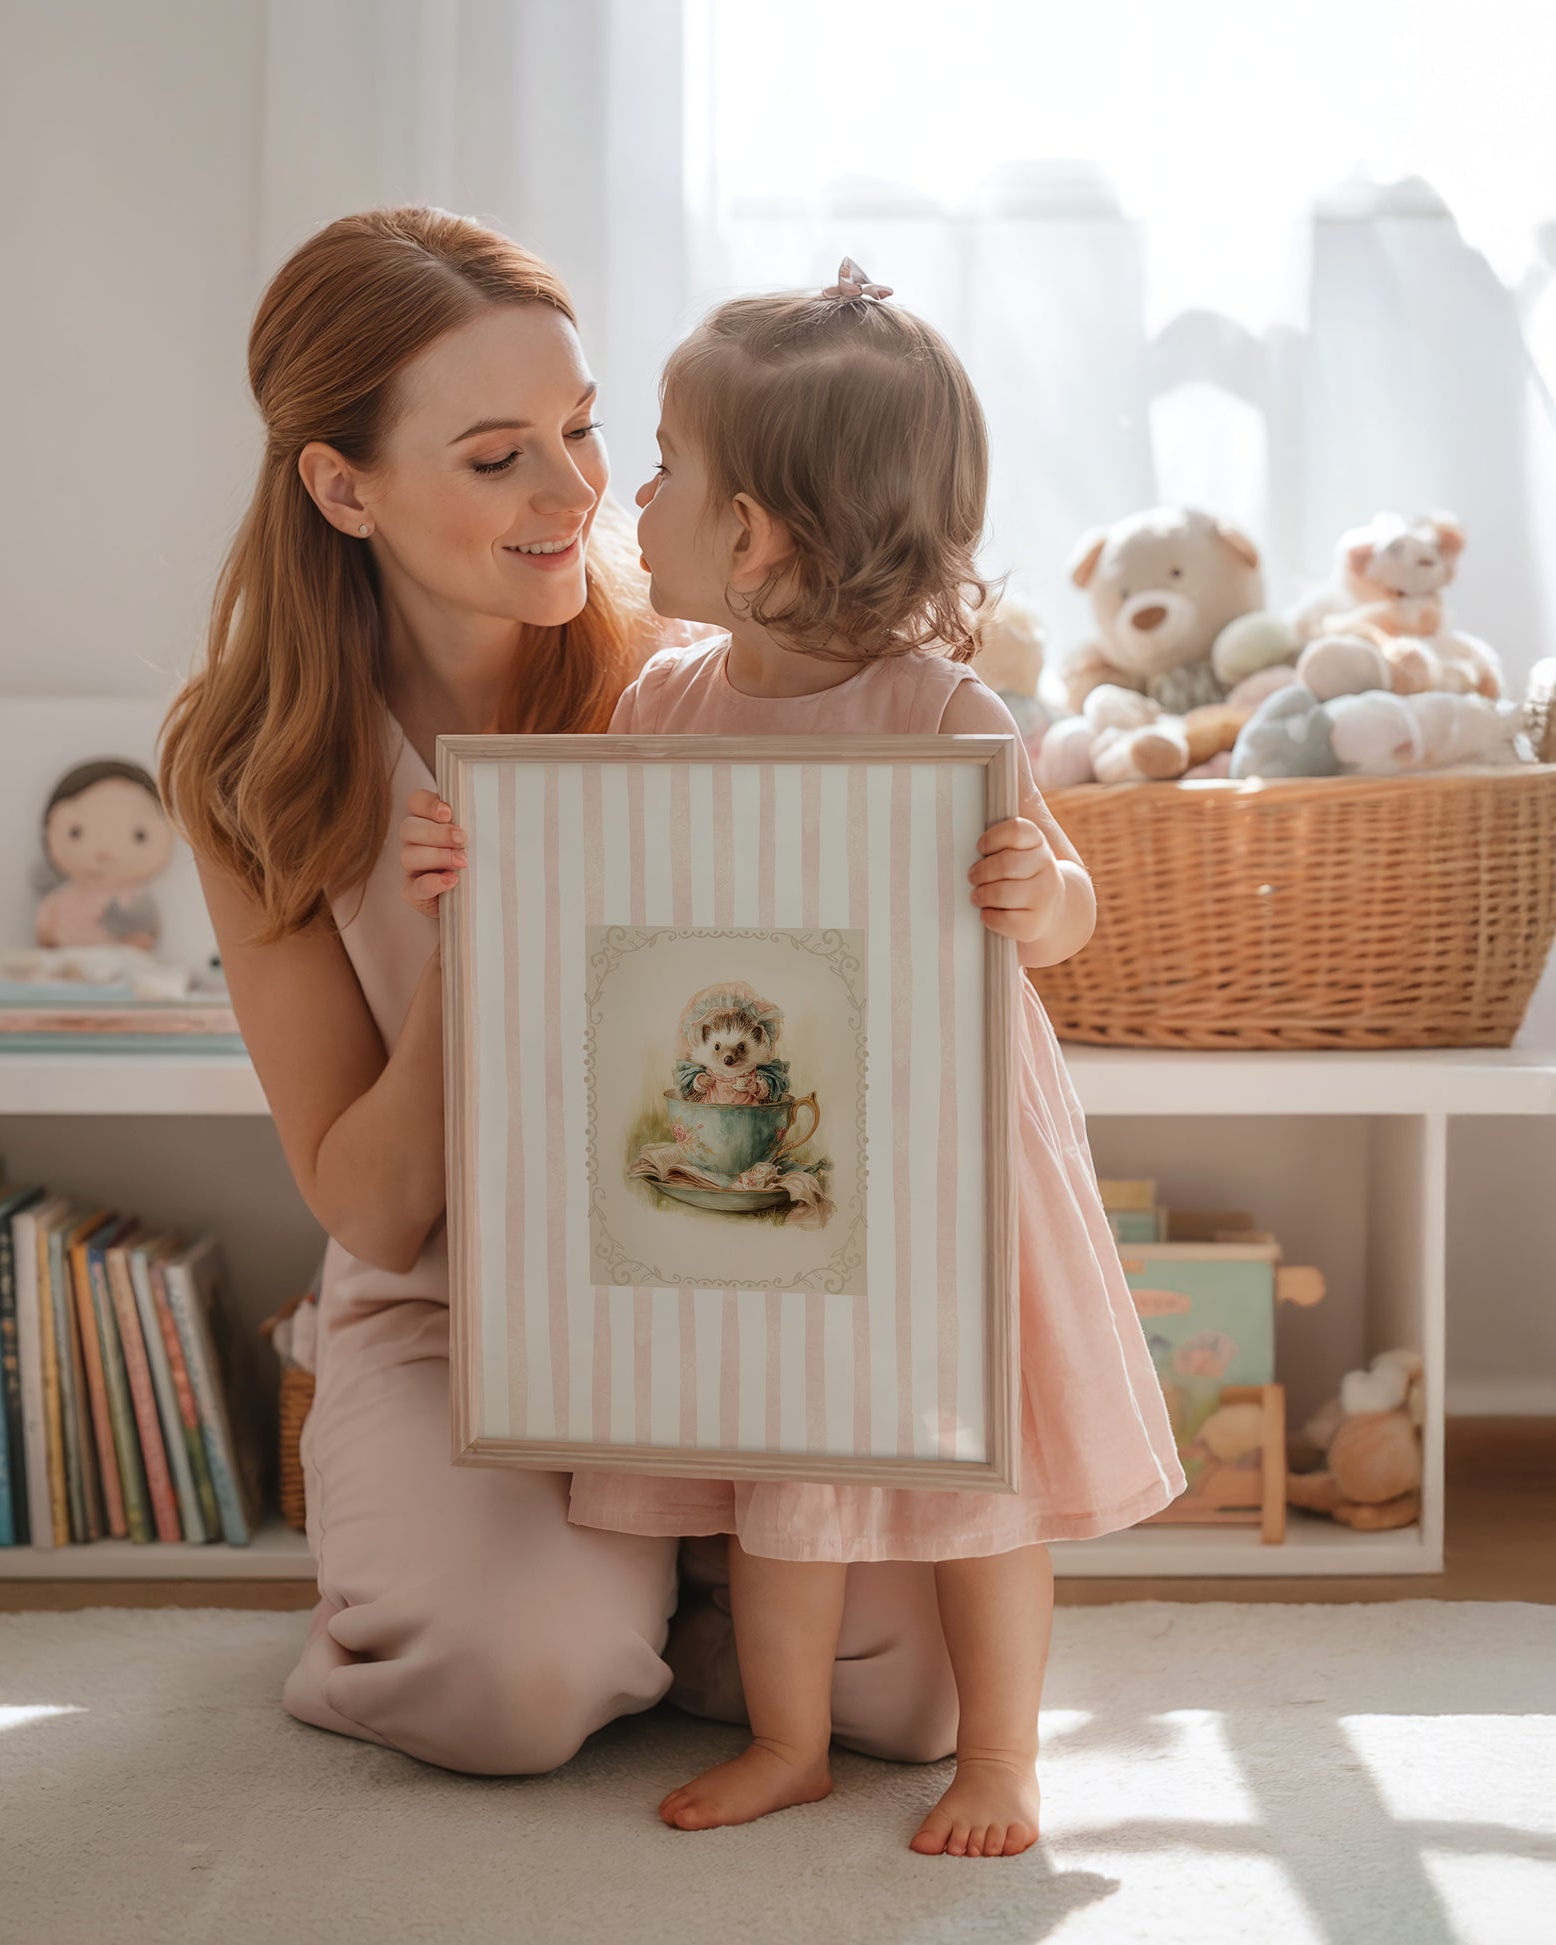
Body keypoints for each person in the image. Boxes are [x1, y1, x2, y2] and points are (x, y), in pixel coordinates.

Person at [158, 210, 968, 1780]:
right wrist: (490, 935)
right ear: (342, 487)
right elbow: (373, 1207)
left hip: (731, 1289)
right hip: (453, 1307)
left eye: (584, 429)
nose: (577, 492)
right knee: (507, 1688)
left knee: (914, 1697)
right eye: (495, 456)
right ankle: (567, 1612)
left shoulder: (697, 671)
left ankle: (644, 1610)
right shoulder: (253, 761)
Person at [404, 263, 1184, 1855]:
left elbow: (1067, 913)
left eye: (666, 467)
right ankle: (787, 1740)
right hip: (764, 1178)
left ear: (752, 534)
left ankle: (1002, 1760)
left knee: (980, 1484)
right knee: (776, 1461)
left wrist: (1037, 893)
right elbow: (607, 902)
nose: (633, 496)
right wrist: (488, 870)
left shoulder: (943, 713)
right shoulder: (662, 701)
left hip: (943, 1166)